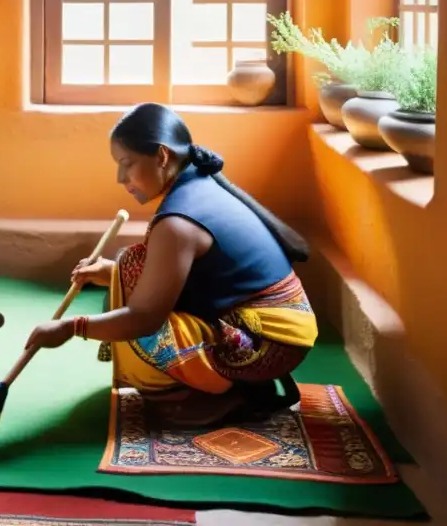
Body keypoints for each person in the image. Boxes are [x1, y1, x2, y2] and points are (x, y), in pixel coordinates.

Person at [25, 103, 318, 426]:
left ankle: (202, 397)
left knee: (139, 326)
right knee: (129, 265)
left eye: (127, 163)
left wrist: (70, 327)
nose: (120, 177)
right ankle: (232, 385)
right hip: (273, 329)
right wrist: (112, 273)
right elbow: (192, 276)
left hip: (268, 346)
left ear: (162, 156)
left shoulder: (178, 222)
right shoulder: (198, 186)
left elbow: (144, 320)